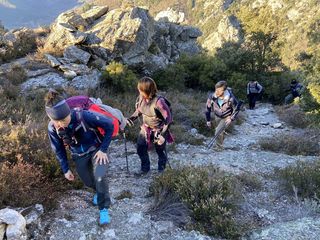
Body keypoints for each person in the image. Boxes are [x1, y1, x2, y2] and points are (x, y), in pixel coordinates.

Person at [45, 89, 114, 225]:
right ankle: (99, 191)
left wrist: (104, 149)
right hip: (78, 155)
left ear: (68, 113)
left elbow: (109, 125)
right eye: (56, 121)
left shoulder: (83, 116)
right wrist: (65, 169)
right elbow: (58, 149)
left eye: (63, 120)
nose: (60, 124)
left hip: (96, 150)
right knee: (88, 181)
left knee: (99, 175)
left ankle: (103, 209)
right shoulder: (53, 128)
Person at [127, 76, 173, 176]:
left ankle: (161, 171)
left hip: (159, 130)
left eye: (140, 89)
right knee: (140, 148)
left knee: (160, 150)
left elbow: (168, 119)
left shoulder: (159, 102)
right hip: (146, 128)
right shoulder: (141, 99)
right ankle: (145, 169)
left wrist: (162, 135)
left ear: (146, 90)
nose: (138, 90)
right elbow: (139, 110)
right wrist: (130, 119)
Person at [205, 81, 239, 150]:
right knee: (220, 131)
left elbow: (237, 108)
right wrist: (208, 120)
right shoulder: (212, 96)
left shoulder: (231, 98)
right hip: (217, 116)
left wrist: (231, 119)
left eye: (219, 90)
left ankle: (219, 147)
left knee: (218, 131)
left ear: (225, 90)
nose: (217, 92)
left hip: (227, 117)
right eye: (216, 89)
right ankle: (220, 143)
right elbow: (207, 108)